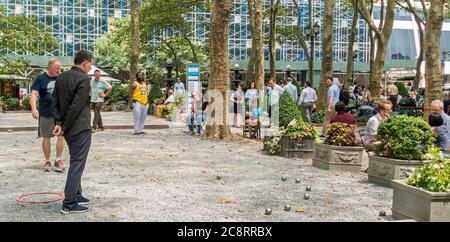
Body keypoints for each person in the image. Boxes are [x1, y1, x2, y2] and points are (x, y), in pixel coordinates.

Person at [52, 50, 93, 214]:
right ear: (84, 62)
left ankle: (77, 193)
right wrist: (64, 126)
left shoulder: (61, 77)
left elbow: (53, 101)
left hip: (68, 129)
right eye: (90, 63)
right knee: (77, 163)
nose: (90, 67)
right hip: (79, 127)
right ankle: (69, 203)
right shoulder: (84, 78)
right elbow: (76, 106)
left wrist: (59, 123)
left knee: (77, 161)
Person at [30, 58, 65, 172]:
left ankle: (58, 159)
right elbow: (34, 94)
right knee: (46, 136)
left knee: (61, 135)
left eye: (60, 68)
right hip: (46, 112)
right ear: (49, 68)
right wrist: (34, 109)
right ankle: (47, 160)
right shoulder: (41, 78)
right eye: (57, 69)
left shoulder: (62, 78)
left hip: (60, 113)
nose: (59, 71)